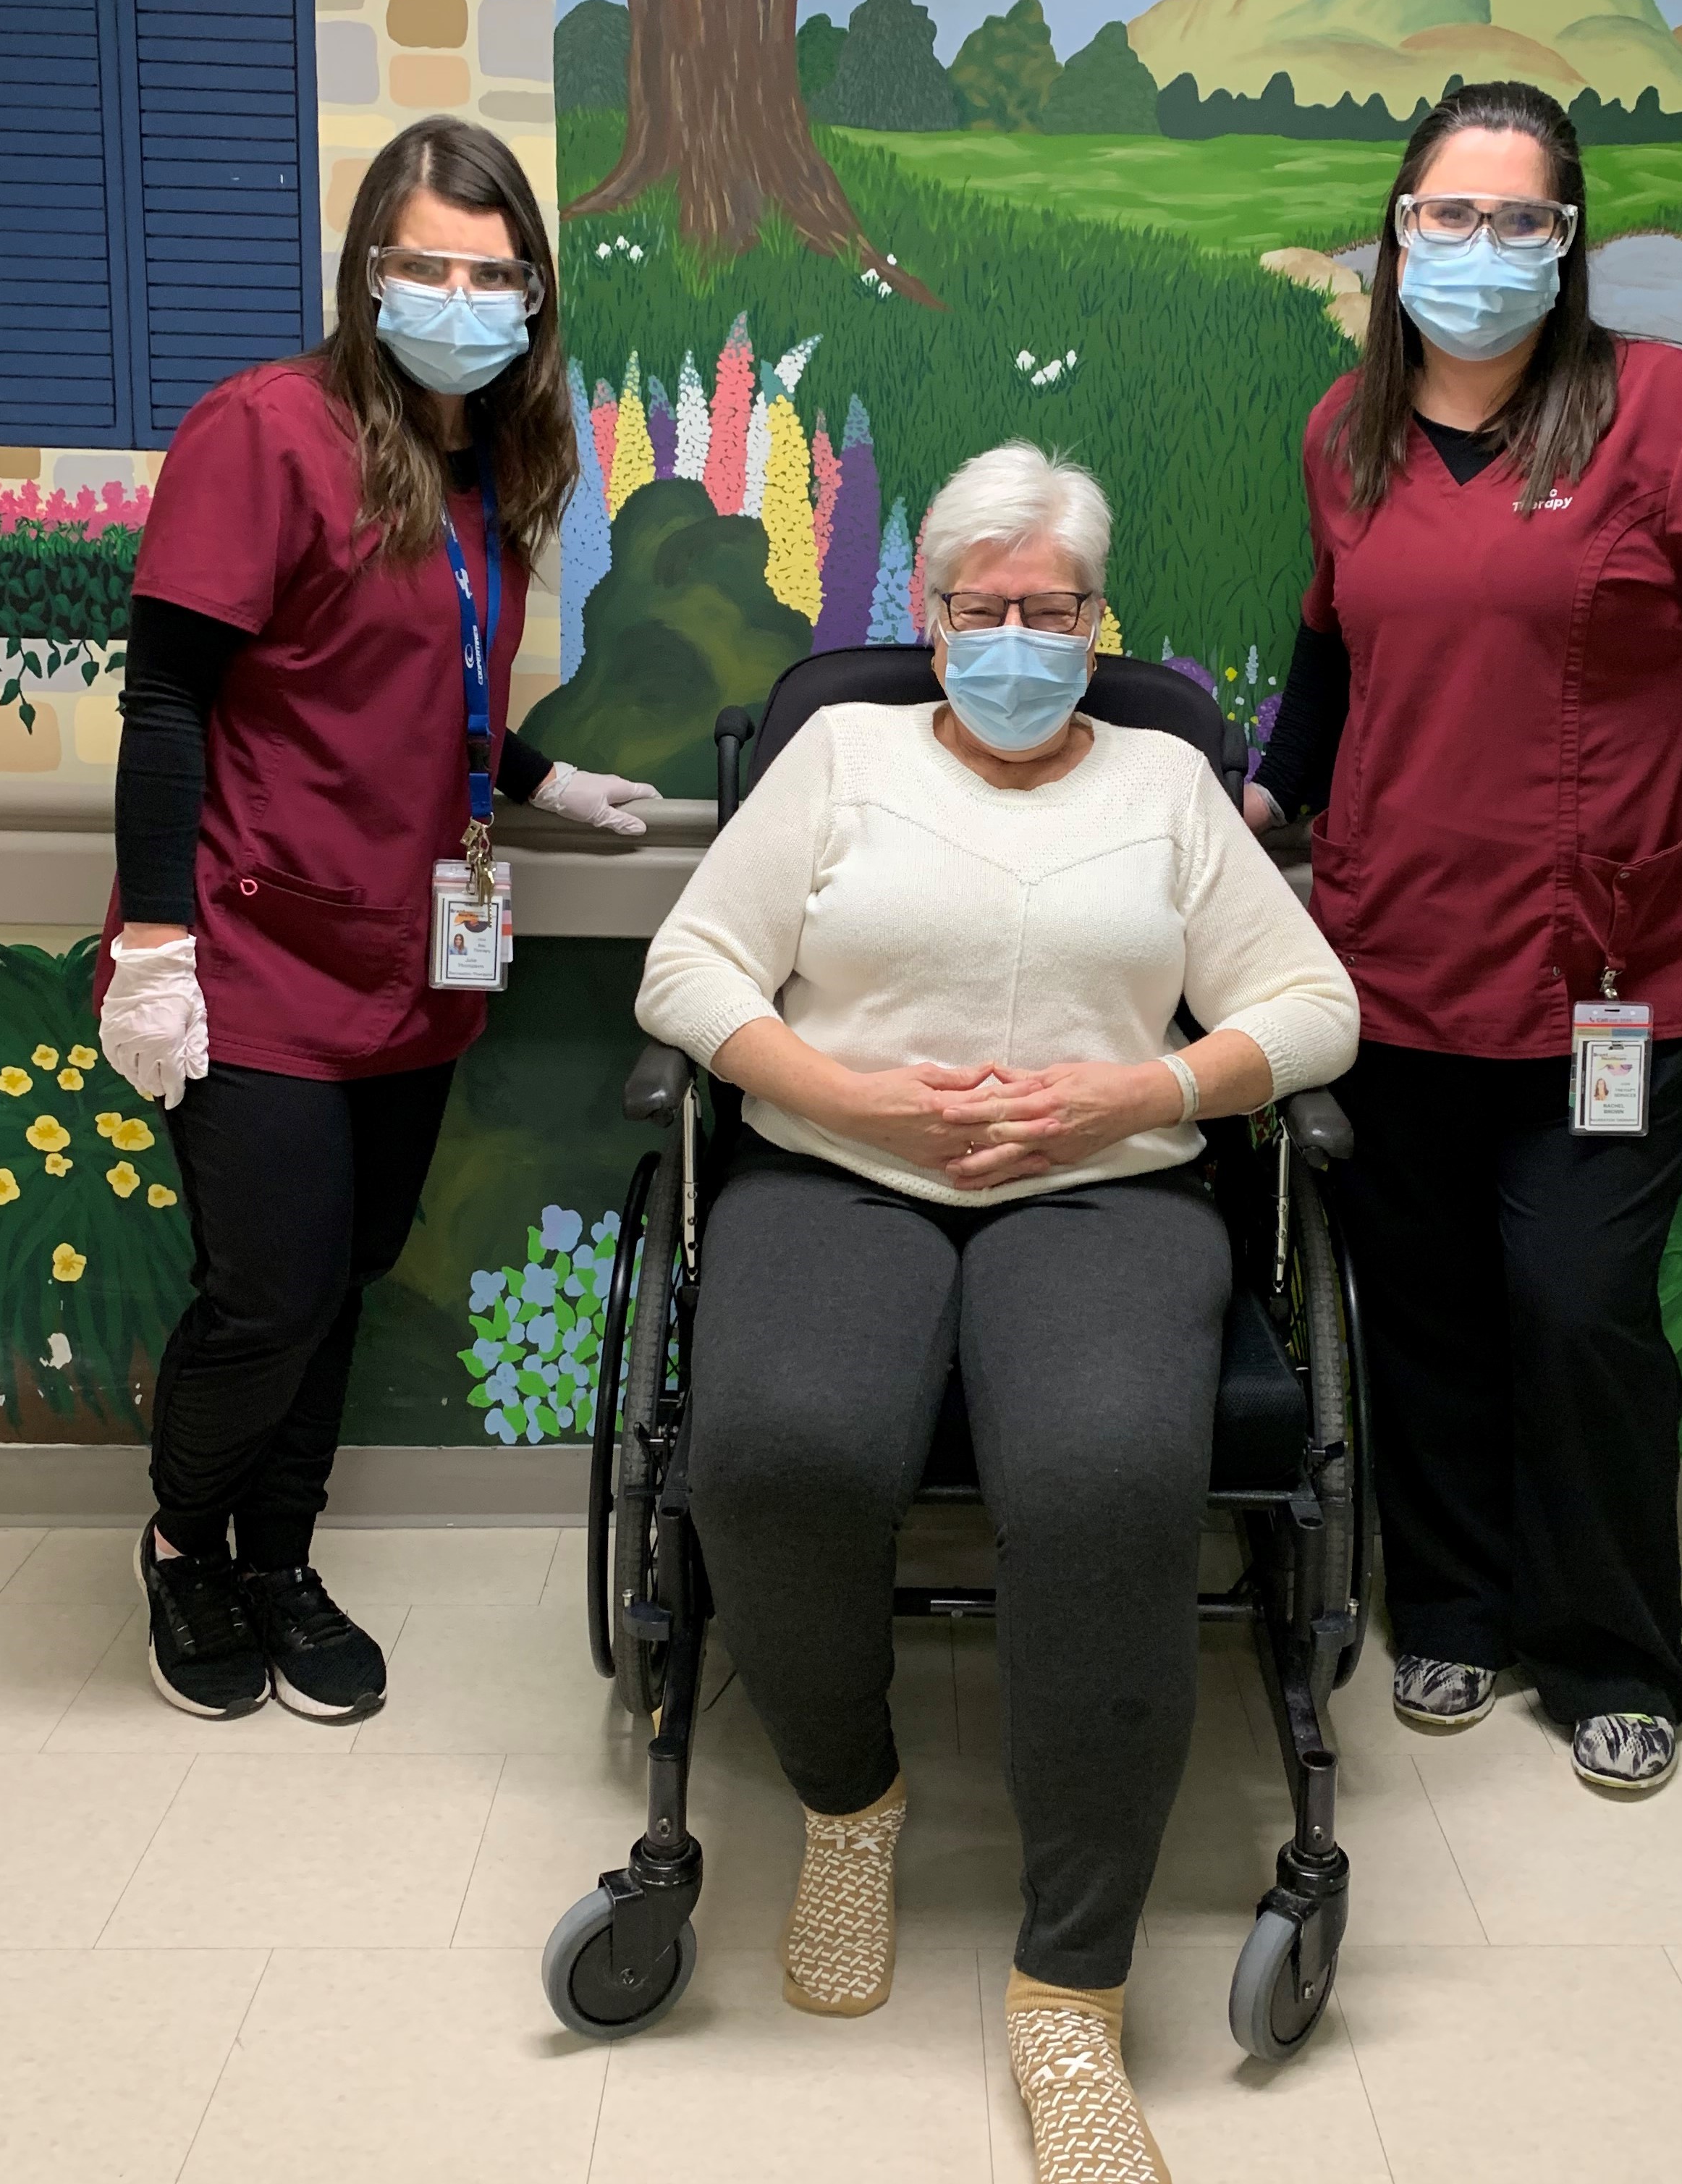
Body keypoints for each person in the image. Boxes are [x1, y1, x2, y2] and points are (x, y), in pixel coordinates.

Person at [636, 443, 1357, 2184]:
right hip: (836, 1168)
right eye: (985, 609)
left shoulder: (1172, 785)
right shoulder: (839, 754)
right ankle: (848, 1796)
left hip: (1106, 1193)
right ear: (928, 614)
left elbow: (1316, 1006)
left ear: (1100, 625)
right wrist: (851, 1097)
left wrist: (1141, 1092)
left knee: (1111, 1481)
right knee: (778, 1446)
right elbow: (686, 968)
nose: (1021, 639)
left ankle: (1071, 1986)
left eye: (1056, 612)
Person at [1244, 80, 1682, 1793]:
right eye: (1447, 218)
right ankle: (1455, 1614)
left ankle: (1613, 1650)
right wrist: (1256, 816)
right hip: (1391, 959)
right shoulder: (1344, 434)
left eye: (1518, 219)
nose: (1479, 250)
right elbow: (1328, 663)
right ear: (1398, 237)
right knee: (1431, 1310)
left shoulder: (1667, 415)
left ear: (1569, 238)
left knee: (1581, 1305)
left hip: (1611, 978)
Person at [96, 117, 658, 1725]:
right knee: (266, 1289)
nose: (460, 298)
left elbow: (406, 677)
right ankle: (182, 1547)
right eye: (426, 265)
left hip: (412, 958)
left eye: (494, 274)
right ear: (365, 271)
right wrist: (152, 945)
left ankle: (280, 1558)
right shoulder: (263, 432)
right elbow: (169, 703)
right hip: (253, 946)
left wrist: (542, 776)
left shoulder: (495, 462)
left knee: (344, 1276)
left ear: (534, 295)